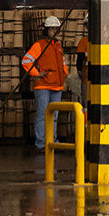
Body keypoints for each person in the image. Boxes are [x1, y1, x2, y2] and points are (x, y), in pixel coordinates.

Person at [21, 16, 70, 150]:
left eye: (55, 29)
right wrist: (37, 74)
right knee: (43, 115)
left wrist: (65, 74)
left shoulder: (58, 47)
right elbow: (26, 61)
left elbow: (63, 63)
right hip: (43, 86)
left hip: (57, 86)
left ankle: (52, 141)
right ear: (46, 30)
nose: (53, 31)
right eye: (51, 29)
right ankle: (41, 143)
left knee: (54, 116)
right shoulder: (39, 45)